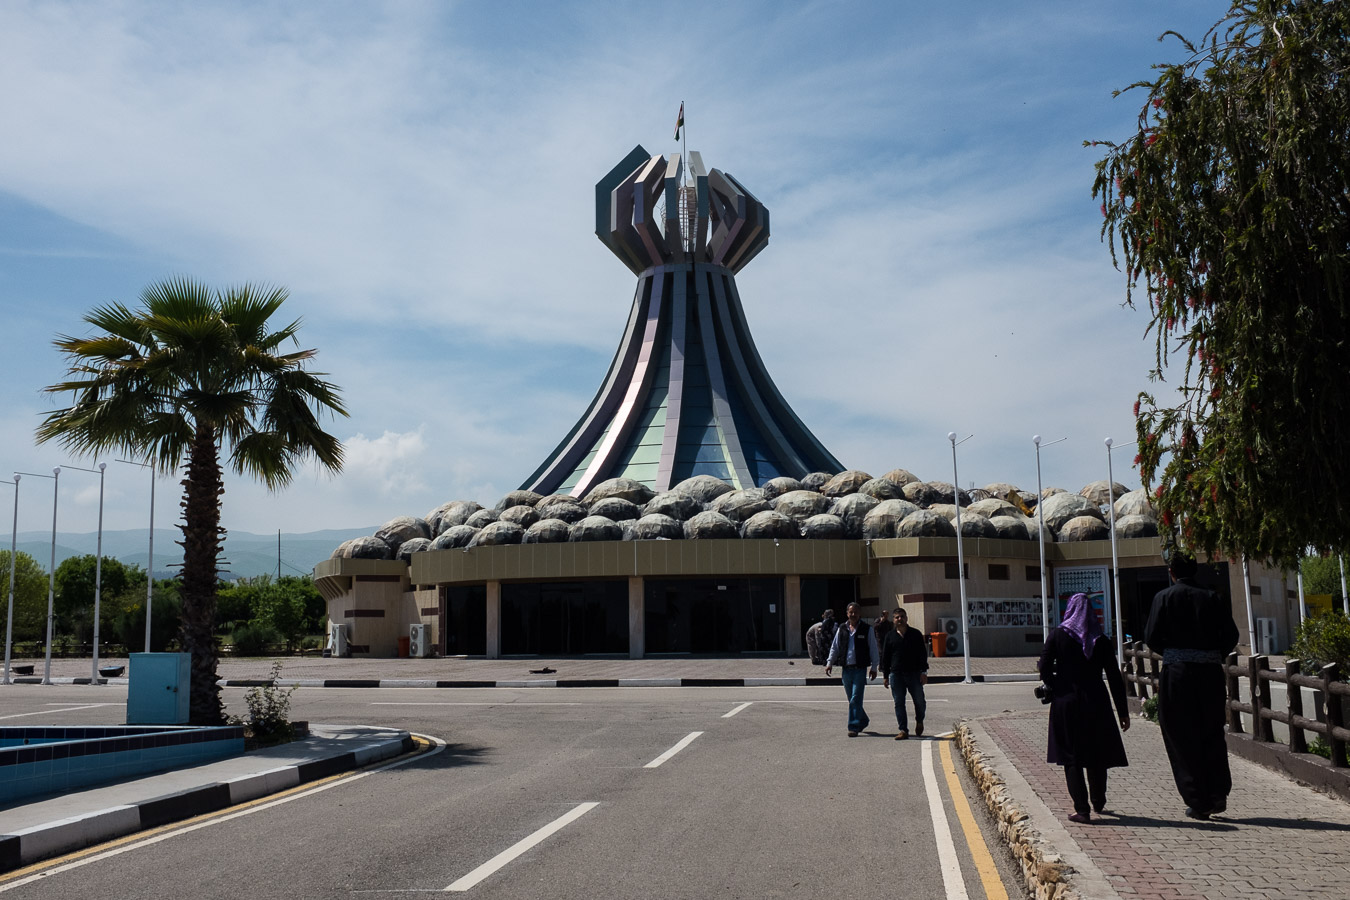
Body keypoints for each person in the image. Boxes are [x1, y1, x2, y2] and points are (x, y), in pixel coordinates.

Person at [1145, 550, 1240, 820]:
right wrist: (1211, 654)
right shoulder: (1212, 598)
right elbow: (1231, 635)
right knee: (1211, 731)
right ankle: (1218, 793)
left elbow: (1151, 636)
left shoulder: (1163, 598)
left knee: (1180, 734)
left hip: (1177, 675)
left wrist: (1175, 654)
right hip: (1209, 674)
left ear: (1171, 572)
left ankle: (1198, 800)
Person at [1039, 592, 1131, 824]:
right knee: (1096, 753)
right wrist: (1123, 712)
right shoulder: (1101, 640)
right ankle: (1098, 800)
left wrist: (1054, 684)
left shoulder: (1058, 635)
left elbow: (1044, 666)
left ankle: (1082, 809)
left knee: (1072, 757)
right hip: (1096, 702)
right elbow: (1114, 677)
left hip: (1066, 702)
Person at [825, 602, 879, 736]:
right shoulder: (842, 628)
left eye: (855, 612)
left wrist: (874, 667)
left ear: (860, 614)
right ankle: (864, 719)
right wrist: (829, 662)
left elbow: (873, 648)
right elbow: (835, 647)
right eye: (851, 612)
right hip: (846, 669)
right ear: (847, 614)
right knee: (852, 699)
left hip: (860, 669)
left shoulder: (867, 629)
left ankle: (853, 727)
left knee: (856, 698)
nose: (853, 615)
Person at [881, 607, 928, 739]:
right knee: (899, 702)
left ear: (906, 618)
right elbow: (885, 657)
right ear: (893, 620)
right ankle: (903, 730)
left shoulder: (915, 634)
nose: (899, 619)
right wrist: (885, 675)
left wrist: (923, 672)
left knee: (919, 701)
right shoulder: (890, 636)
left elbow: (922, 655)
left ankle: (919, 720)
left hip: (914, 674)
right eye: (897, 617)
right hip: (896, 675)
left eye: (902, 616)